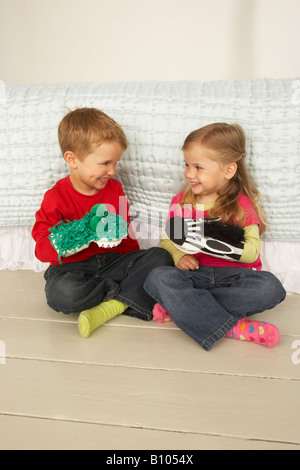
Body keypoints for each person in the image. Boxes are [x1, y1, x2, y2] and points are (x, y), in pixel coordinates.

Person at [144, 123, 286, 351]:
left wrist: (205, 237)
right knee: (157, 277)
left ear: (228, 171)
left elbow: (251, 254)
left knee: (271, 288)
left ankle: (183, 309)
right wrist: (179, 255)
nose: (189, 173)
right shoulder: (182, 203)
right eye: (187, 165)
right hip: (195, 276)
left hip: (234, 277)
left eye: (199, 167)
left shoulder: (242, 206)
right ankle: (234, 328)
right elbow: (168, 239)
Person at [32, 107, 173, 338]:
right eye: (105, 163)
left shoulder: (115, 188)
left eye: (116, 162)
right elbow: (42, 249)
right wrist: (81, 233)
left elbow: (125, 235)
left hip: (113, 262)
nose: (113, 171)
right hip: (72, 267)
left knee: (160, 257)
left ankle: (109, 304)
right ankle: (123, 297)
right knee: (61, 294)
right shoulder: (55, 197)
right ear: (72, 159)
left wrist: (136, 263)